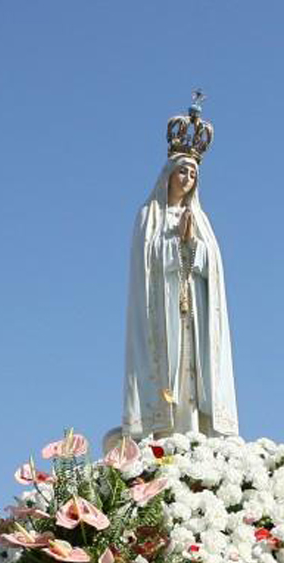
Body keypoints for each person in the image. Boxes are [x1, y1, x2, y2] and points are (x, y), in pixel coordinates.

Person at [122, 105, 238, 440]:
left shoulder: (200, 220)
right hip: (163, 310)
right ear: (168, 174)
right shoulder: (149, 216)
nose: (186, 180)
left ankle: (197, 430)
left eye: (192, 175)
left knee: (192, 371)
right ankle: (163, 431)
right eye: (182, 172)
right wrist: (176, 243)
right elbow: (146, 264)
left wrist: (194, 244)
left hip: (194, 313)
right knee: (169, 367)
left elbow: (211, 265)